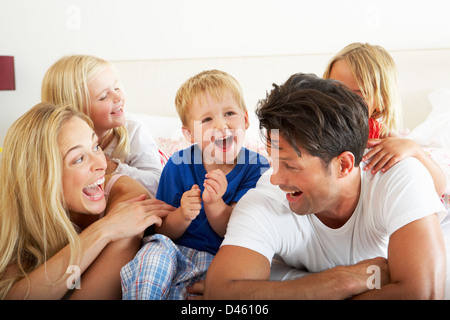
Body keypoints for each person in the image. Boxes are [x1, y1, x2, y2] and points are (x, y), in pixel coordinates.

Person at [203, 73, 447, 299]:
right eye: (273, 161)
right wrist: (341, 281)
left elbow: (422, 293)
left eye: (290, 166)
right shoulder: (269, 196)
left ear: (343, 165)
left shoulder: (398, 177)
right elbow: (221, 292)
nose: (276, 178)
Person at [120, 69, 270, 299]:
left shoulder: (257, 167)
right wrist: (183, 215)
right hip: (174, 251)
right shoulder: (177, 164)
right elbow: (162, 229)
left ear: (246, 119)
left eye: (229, 113)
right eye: (207, 119)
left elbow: (238, 229)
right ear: (189, 133)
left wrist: (215, 203)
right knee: (153, 251)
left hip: (221, 259)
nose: (221, 125)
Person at [0, 102, 174, 299]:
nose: (102, 163)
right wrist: (104, 230)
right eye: (79, 159)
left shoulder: (126, 196)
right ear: (41, 179)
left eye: (96, 146)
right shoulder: (16, 221)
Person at [323, 43, 446, 196]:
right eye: (335, 90)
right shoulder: (318, 128)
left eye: (357, 94)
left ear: (381, 102)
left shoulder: (383, 139)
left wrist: (415, 150)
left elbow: (439, 187)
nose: (342, 101)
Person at [41, 55, 162, 196]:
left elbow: (159, 185)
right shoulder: (54, 146)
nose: (118, 97)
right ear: (76, 110)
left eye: (117, 87)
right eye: (104, 96)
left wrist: (113, 167)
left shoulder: (133, 130)